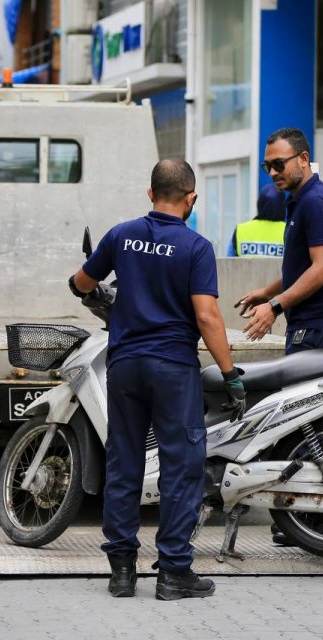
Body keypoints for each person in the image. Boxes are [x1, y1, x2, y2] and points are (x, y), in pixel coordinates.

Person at [69, 159, 246, 601]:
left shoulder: (121, 235)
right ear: (192, 199)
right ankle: (173, 573)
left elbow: (81, 282)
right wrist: (230, 373)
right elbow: (206, 315)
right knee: (181, 468)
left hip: (125, 366)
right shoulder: (195, 247)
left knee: (124, 462)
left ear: (150, 194)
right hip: (172, 369)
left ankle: (122, 572)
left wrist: (86, 286)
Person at [238, 128, 323, 354]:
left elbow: (322, 269)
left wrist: (274, 306)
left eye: (279, 164)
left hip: (320, 324)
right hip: (308, 323)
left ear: (303, 159)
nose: (272, 172)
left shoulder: (315, 202)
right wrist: (267, 292)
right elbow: (302, 268)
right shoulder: (298, 200)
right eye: (267, 166)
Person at [226, 183, 286, 258]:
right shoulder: (288, 231)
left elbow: (228, 263)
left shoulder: (240, 230)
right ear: (283, 206)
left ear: (259, 204)